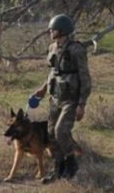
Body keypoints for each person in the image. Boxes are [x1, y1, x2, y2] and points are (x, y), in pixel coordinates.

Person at [33, 14, 92, 183]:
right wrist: (44, 89)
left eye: (54, 29)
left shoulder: (76, 49)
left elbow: (85, 78)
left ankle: (71, 164)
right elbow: (53, 71)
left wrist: (82, 104)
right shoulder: (53, 48)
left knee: (61, 132)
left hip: (71, 99)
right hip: (55, 97)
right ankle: (58, 168)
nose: (50, 31)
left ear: (63, 30)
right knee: (51, 133)